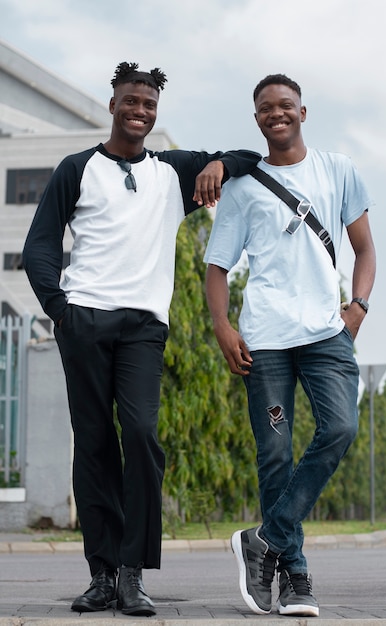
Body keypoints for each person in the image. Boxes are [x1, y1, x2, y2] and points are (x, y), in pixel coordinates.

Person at [22, 61, 261, 617]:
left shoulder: (170, 172)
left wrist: (219, 163)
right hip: (84, 322)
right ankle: (101, 575)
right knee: (95, 445)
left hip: (143, 329)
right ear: (112, 105)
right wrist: (61, 311)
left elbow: (249, 160)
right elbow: (38, 247)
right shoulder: (76, 168)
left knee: (142, 432)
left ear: (156, 112)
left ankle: (133, 573)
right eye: (131, 101)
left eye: (149, 105)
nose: (140, 112)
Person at [204, 73, 376, 617]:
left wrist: (358, 309)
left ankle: (266, 539)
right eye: (264, 109)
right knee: (274, 455)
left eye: (285, 105)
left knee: (341, 428)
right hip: (267, 341)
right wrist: (222, 327)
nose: (275, 114)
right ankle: (295, 580)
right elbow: (217, 267)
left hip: (328, 334)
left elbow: (365, 249)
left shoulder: (338, 169)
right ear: (256, 119)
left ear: (303, 112)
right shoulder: (243, 185)